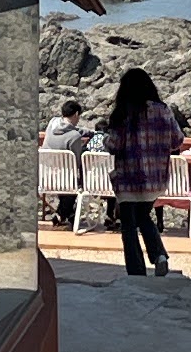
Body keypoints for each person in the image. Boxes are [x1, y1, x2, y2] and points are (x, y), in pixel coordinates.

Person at [102, 64, 183, 279]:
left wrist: (104, 139)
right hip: (155, 179)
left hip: (128, 178)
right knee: (144, 216)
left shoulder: (124, 113)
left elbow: (114, 144)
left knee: (129, 225)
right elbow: (177, 140)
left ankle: (136, 271)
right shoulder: (163, 110)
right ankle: (159, 256)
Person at [37, 98, 95, 231]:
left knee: (67, 181)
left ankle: (66, 216)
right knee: (74, 183)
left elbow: (69, 128)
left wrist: (84, 131)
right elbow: (76, 163)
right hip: (64, 181)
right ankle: (63, 214)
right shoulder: (74, 137)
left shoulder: (52, 123)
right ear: (76, 114)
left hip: (45, 176)